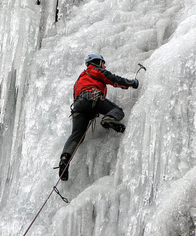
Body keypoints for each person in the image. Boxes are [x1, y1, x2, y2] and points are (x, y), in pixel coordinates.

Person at [59, 53, 139, 181]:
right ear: (97, 62)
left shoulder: (79, 80)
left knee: (77, 135)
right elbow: (114, 80)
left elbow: (76, 96)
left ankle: (64, 159)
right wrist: (132, 83)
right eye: (103, 63)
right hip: (93, 97)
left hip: (78, 106)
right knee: (117, 110)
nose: (105, 66)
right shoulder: (97, 71)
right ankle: (109, 119)